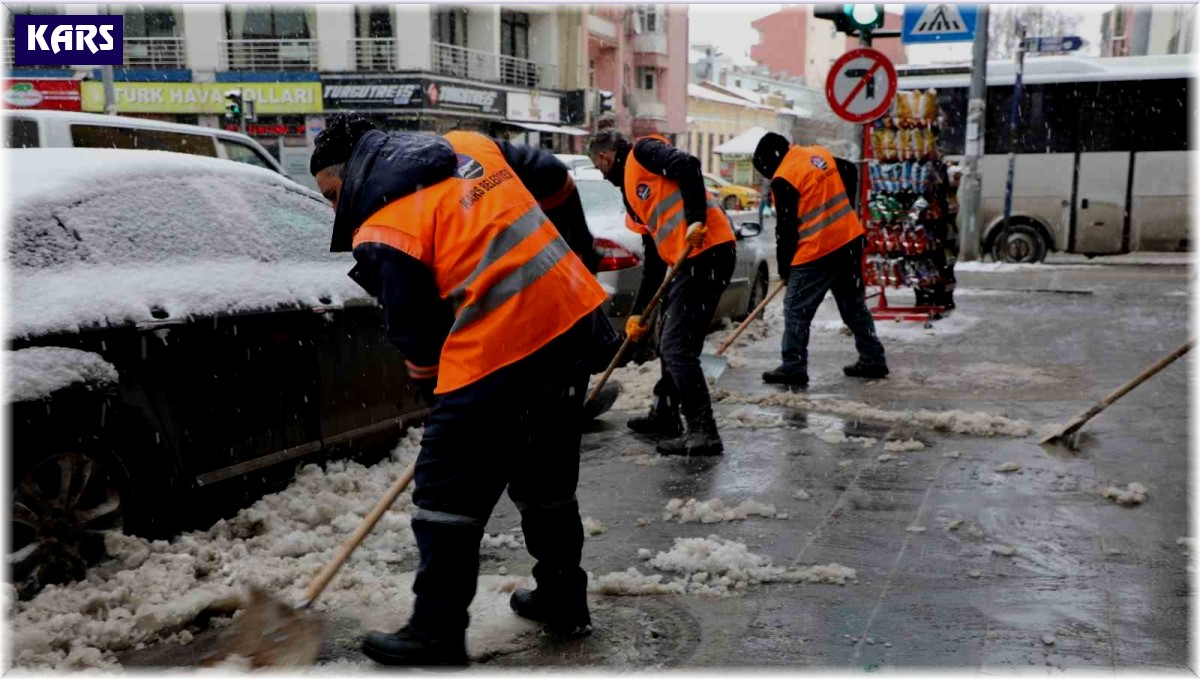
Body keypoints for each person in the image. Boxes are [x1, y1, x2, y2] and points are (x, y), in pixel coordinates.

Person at [310, 114, 618, 666]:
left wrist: (437, 397)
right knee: (544, 473)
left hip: (501, 348)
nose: (335, 209)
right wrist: (578, 256)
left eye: (332, 194)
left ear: (352, 172)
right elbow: (551, 176)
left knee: (444, 493)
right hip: (571, 328)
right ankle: (563, 597)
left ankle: (437, 631)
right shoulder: (468, 146)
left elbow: (417, 334)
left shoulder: (382, 228)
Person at [586, 128, 735, 457]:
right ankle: (666, 415)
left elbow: (690, 165)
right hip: (691, 260)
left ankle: (703, 432)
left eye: (599, 168)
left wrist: (697, 220)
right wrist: (640, 311)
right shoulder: (631, 192)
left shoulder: (643, 152)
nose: (602, 173)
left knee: (676, 345)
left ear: (605, 157)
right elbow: (654, 256)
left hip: (707, 251)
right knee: (669, 338)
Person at [752, 132, 888, 387]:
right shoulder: (816, 153)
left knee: (796, 310)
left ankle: (793, 367)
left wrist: (785, 269)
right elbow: (848, 169)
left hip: (817, 251)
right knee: (854, 307)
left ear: (769, 161)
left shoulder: (784, 177)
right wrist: (845, 207)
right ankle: (873, 358)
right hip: (848, 241)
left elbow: (786, 229)